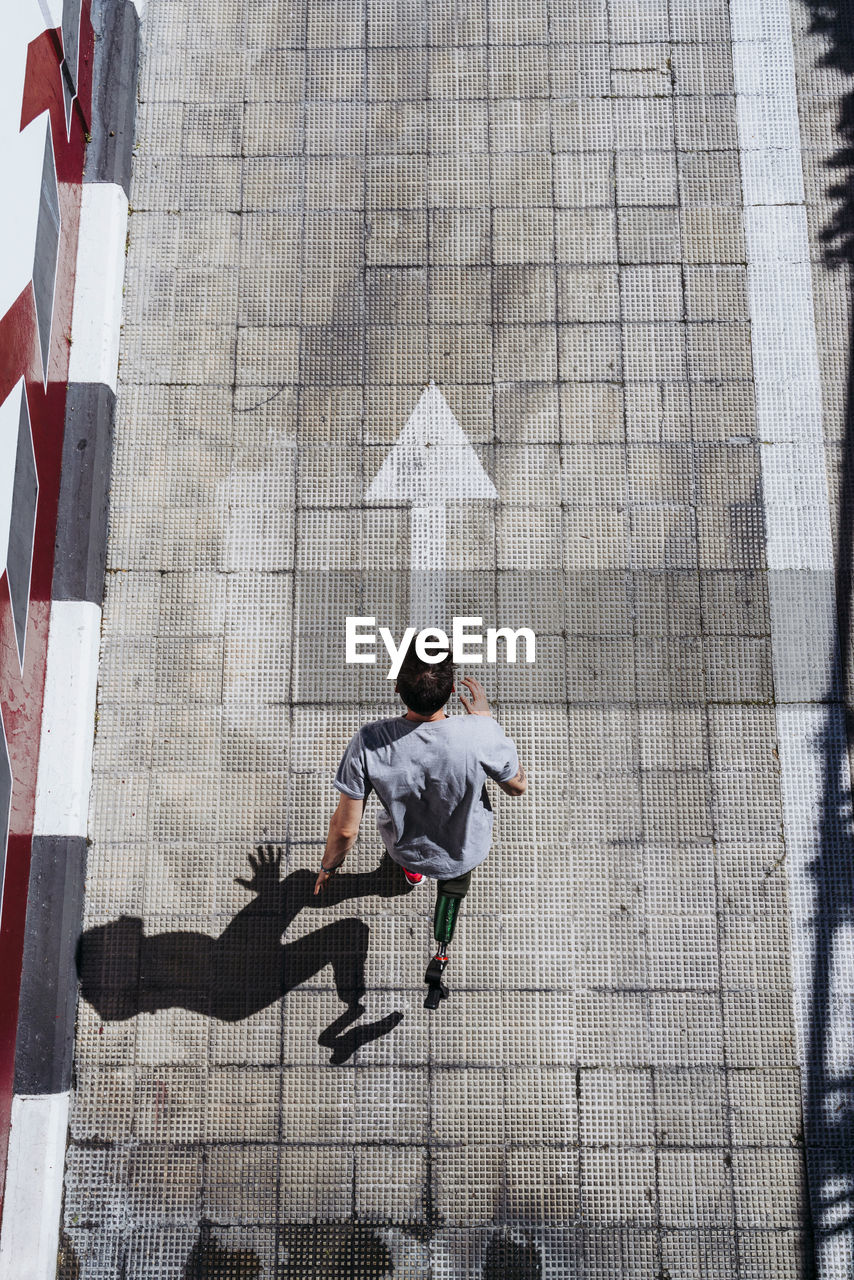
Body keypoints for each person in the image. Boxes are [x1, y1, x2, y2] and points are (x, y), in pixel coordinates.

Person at [314, 645, 527, 1004]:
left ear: (397, 688)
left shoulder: (368, 742)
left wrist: (328, 867)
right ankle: (441, 951)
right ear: (450, 692)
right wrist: (487, 720)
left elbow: (346, 830)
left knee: (410, 863)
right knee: (452, 891)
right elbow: (517, 786)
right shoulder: (481, 732)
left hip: (406, 846)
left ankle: (413, 874)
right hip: (462, 847)